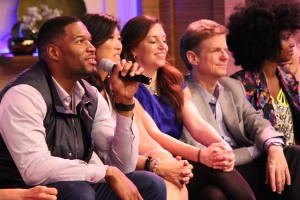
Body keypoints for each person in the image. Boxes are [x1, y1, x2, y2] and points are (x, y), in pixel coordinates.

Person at [0, 16, 167, 200]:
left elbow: (123, 166)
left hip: (74, 183)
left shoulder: (90, 95)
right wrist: (106, 172)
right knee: (80, 192)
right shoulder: (24, 94)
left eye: (90, 40)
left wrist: (124, 102)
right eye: (80, 41)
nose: (91, 48)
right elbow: (35, 168)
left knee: (150, 184)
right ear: (54, 52)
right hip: (24, 190)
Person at [121, 15, 255, 200]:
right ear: (134, 50)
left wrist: (222, 147)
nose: (163, 47)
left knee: (213, 195)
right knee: (215, 167)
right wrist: (201, 155)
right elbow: (154, 135)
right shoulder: (127, 87)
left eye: (164, 40)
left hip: (183, 158)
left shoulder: (173, 81)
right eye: (154, 41)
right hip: (156, 163)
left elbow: (197, 124)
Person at [79, 13, 193, 200]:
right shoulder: (83, 91)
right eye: (111, 38)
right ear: (91, 44)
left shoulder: (114, 85)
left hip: (124, 163)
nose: (118, 46)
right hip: (97, 173)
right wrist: (157, 165)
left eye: (119, 39)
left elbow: (147, 139)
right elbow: (102, 154)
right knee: (161, 178)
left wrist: (170, 162)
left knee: (178, 176)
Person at [227, 0, 300, 148]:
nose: (292, 43)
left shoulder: (288, 78)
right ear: (266, 41)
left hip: (294, 161)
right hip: (263, 164)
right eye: (286, 38)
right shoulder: (241, 84)